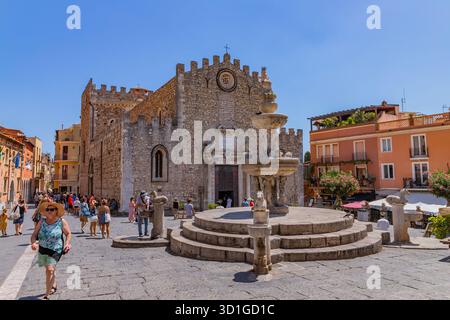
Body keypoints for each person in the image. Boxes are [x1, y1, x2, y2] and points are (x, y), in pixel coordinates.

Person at [30, 202, 72, 300]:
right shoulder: (42, 221)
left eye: (52, 209)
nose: (49, 211)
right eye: (48, 210)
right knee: (49, 270)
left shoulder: (61, 221)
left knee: (49, 269)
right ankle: (53, 284)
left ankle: (46, 295)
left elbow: (68, 233)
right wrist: (33, 243)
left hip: (56, 249)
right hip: (43, 249)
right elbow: (34, 235)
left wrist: (67, 243)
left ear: (56, 211)